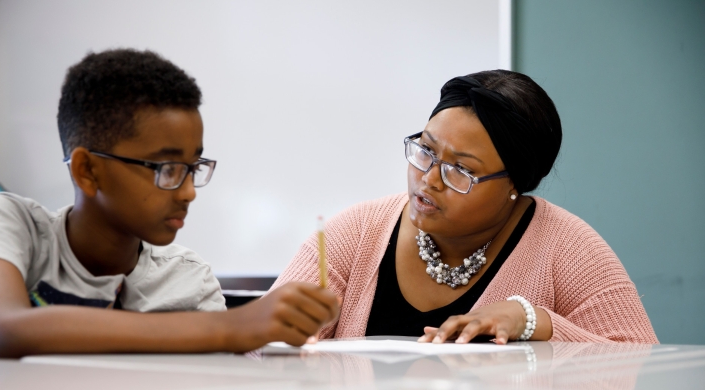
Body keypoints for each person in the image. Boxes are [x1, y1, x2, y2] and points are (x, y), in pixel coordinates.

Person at [0, 49, 338, 360]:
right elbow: (2, 332)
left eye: (193, 167)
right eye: (165, 168)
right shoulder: (8, 223)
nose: (188, 192)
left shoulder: (188, 281)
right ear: (88, 171)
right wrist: (232, 327)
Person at [274, 70, 657, 344]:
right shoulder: (355, 233)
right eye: (425, 150)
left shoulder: (569, 249)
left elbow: (642, 371)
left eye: (461, 170)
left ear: (513, 184)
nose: (430, 179)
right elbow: (261, 355)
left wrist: (537, 323)